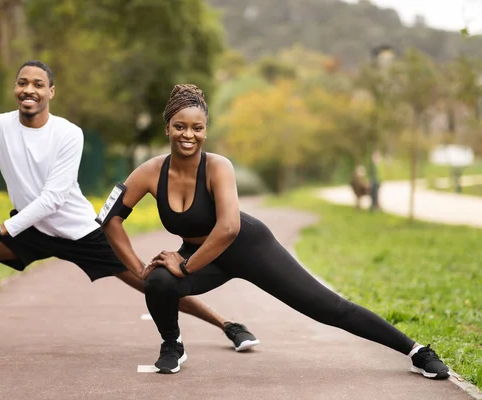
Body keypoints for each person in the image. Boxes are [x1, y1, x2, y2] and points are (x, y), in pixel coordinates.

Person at [99, 83, 451, 378]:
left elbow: (228, 227)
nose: (188, 134)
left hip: (248, 247)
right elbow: (111, 218)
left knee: (328, 308)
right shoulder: (149, 171)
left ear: (206, 130)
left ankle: (416, 351)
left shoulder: (218, 167)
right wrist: (140, 270)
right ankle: (172, 344)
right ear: (168, 128)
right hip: (204, 254)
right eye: (180, 126)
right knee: (159, 281)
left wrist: (186, 266)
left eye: (197, 127)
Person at [0, 60, 259, 356]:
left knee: (148, 281)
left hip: (79, 230)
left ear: (51, 92)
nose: (29, 90)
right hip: (29, 227)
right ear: (15, 88)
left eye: (38, 84)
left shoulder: (68, 133)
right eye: (22, 83)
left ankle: (228, 325)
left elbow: (53, 198)